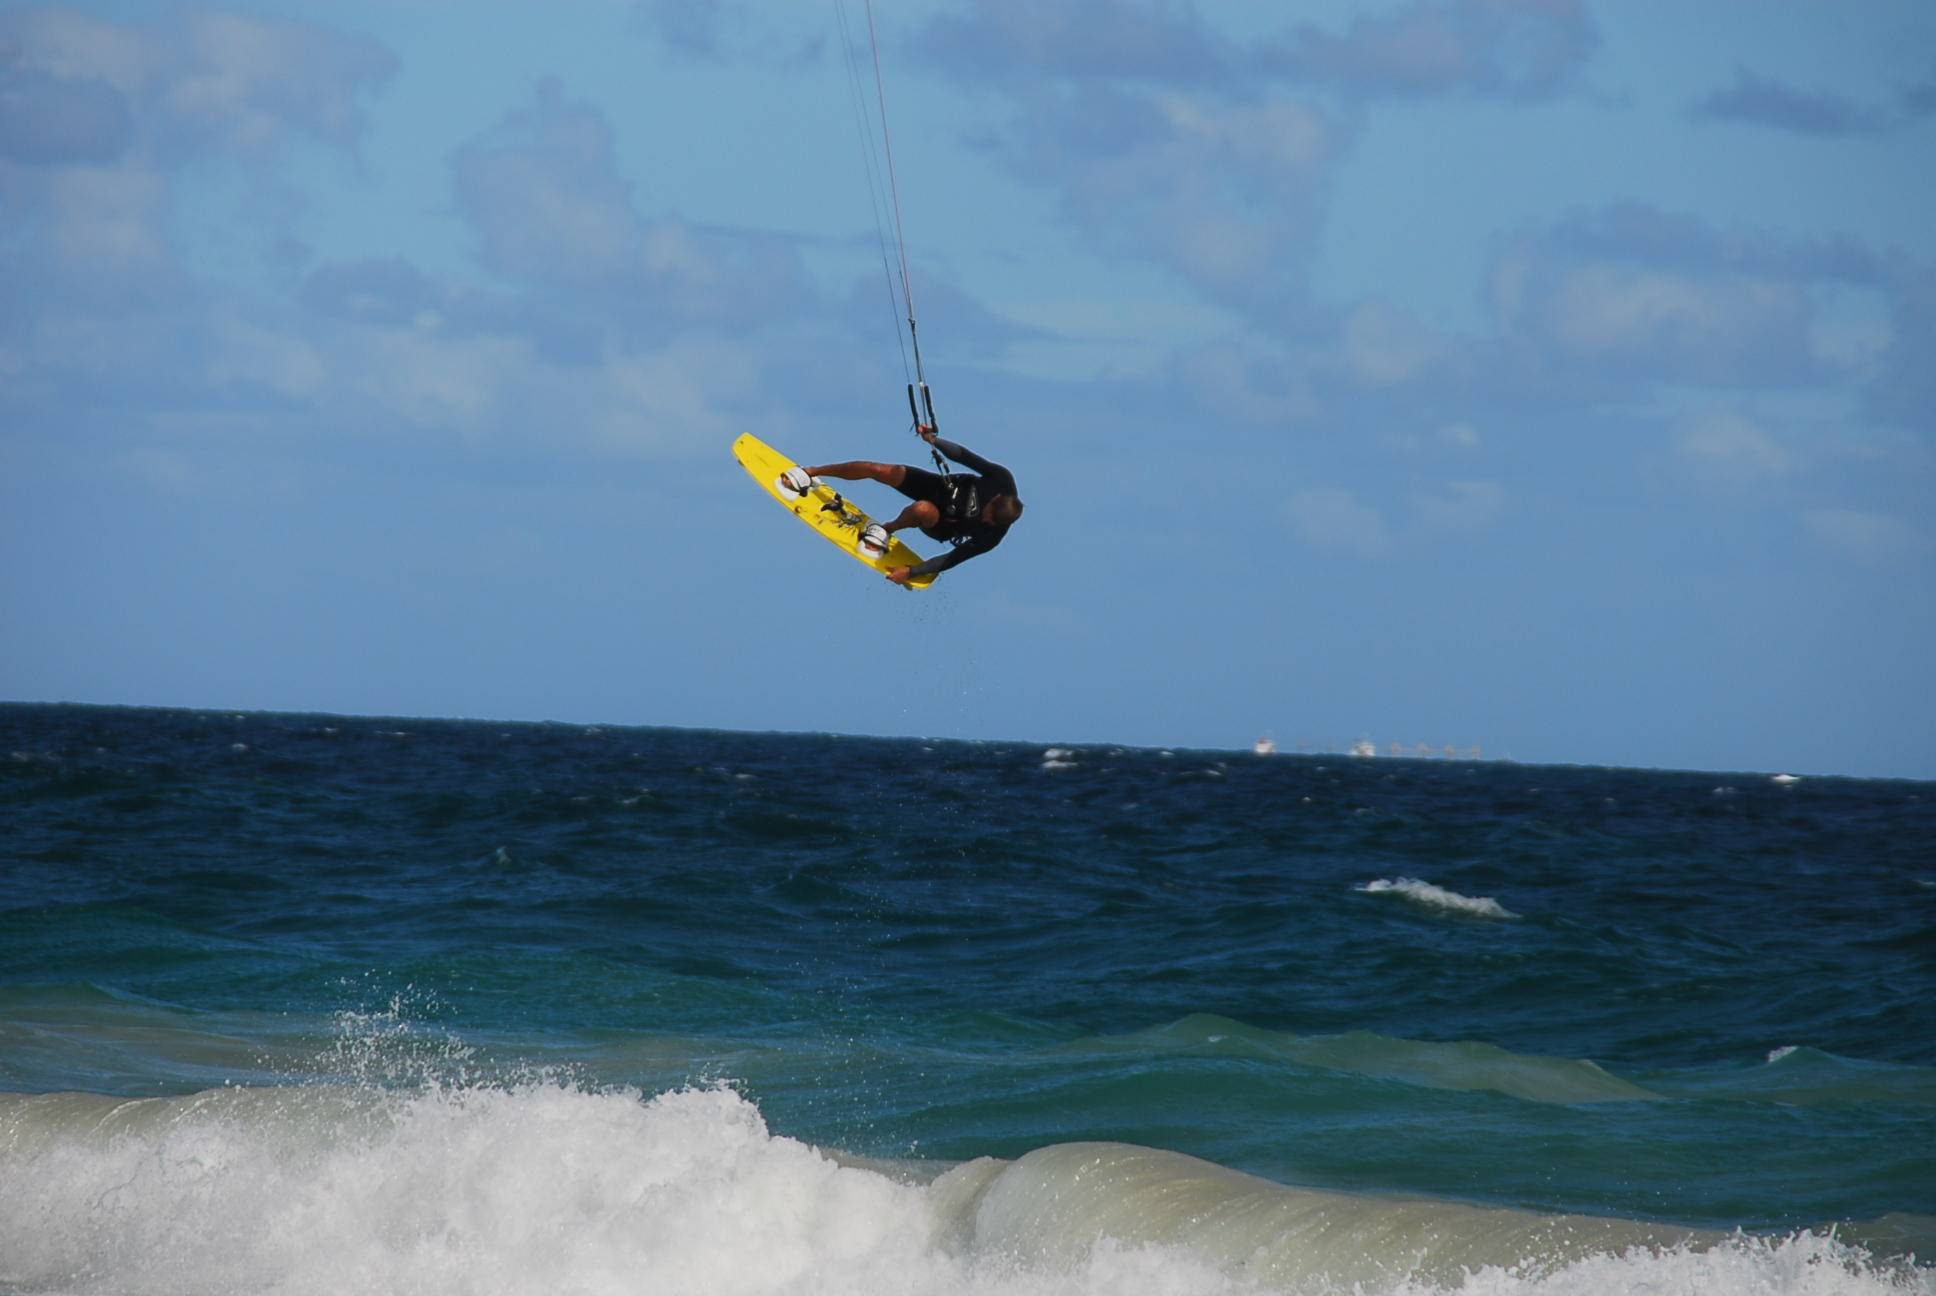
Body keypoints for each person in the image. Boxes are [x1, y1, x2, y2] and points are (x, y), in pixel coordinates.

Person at [781, 425, 1023, 585]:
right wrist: (934, 440)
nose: (987, 520)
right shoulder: (1001, 479)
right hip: (939, 486)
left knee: (921, 509)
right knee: (880, 470)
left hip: (940, 523)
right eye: (989, 514)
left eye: (991, 522)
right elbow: (964, 455)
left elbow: (951, 559)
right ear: (996, 499)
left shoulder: (991, 536)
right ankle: (810, 472)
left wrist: (911, 572)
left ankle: (886, 530)